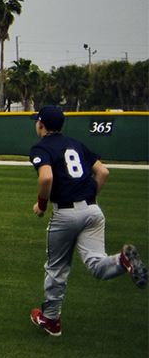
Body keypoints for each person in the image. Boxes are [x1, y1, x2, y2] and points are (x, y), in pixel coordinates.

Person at [27, 105, 146, 336]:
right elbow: (103, 172)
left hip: (66, 214)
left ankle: (51, 320)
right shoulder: (75, 143)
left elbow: (46, 177)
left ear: (40, 124)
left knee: (57, 268)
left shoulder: (40, 147)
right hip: (93, 210)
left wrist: (41, 206)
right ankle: (122, 261)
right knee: (96, 264)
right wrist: (88, 200)